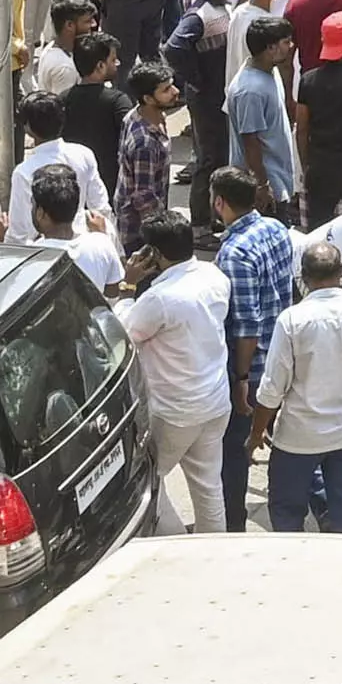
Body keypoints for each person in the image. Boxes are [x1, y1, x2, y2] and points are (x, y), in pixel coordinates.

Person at [254, 239, 342, 533]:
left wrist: (255, 434)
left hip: (298, 438)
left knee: (286, 514)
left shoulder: (291, 320)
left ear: (303, 278)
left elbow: (272, 389)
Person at [119, 215, 238, 531]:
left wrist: (128, 284)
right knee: (209, 487)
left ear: (155, 254)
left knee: (147, 483)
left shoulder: (160, 298)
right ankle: (212, 553)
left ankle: (173, 543)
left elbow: (123, 333)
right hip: (214, 403)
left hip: (174, 413)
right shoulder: (215, 276)